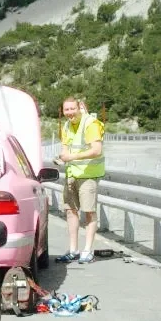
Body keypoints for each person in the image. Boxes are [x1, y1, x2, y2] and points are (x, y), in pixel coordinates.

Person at [55, 96, 105, 263]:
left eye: (72, 109)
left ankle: (87, 250)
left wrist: (72, 157)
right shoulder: (67, 126)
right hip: (71, 174)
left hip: (88, 174)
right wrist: (63, 157)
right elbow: (65, 149)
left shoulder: (90, 124)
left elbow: (96, 150)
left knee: (89, 212)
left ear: (79, 108)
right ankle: (73, 250)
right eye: (66, 110)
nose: (69, 113)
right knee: (70, 211)